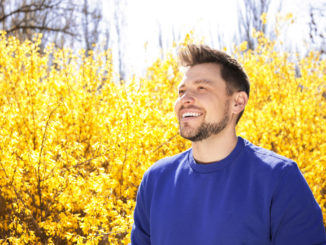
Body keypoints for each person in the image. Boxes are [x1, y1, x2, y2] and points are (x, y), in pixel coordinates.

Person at [130, 44, 326, 245]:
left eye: (201, 88)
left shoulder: (279, 178)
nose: (185, 99)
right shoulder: (156, 181)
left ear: (238, 102)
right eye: (181, 91)